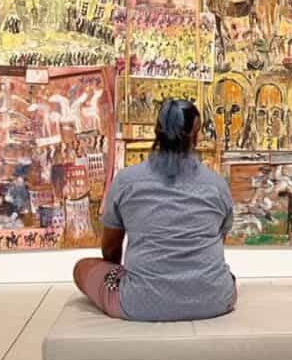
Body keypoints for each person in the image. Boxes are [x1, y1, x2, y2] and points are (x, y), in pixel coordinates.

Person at [73, 99, 237, 322]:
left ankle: (133, 290)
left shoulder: (126, 181)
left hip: (139, 303)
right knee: (222, 274)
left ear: (156, 131)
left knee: (82, 267)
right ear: (196, 136)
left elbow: (111, 249)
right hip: (215, 299)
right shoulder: (217, 185)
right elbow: (219, 240)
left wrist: (134, 275)